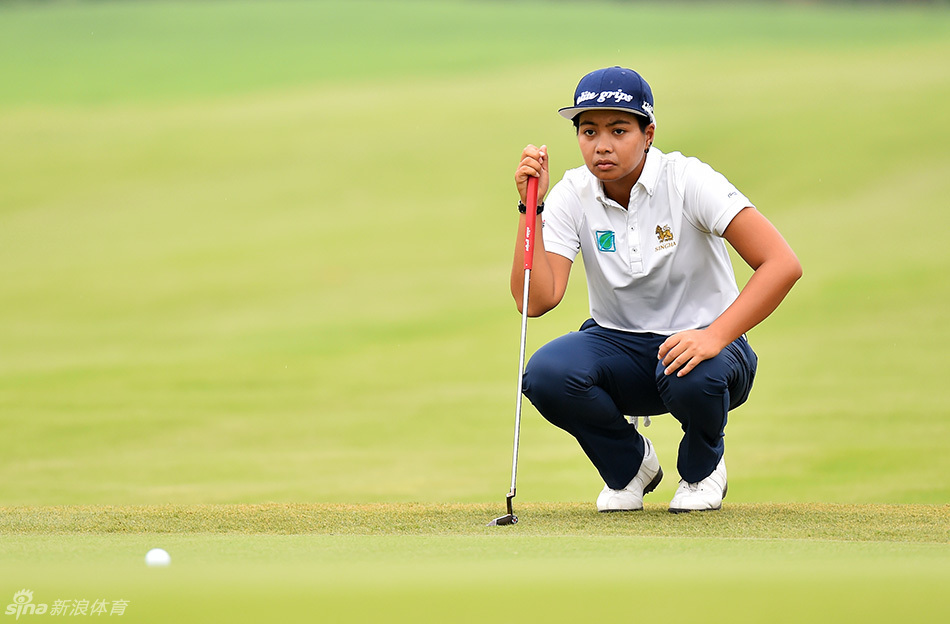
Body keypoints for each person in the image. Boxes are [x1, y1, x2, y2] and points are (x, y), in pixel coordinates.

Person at [511, 66, 801, 513]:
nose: (601, 144)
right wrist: (531, 209)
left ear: (648, 134)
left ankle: (703, 471)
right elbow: (537, 300)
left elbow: (782, 264)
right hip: (618, 347)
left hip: (711, 350)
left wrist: (714, 336)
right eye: (589, 131)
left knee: (693, 371)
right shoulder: (574, 192)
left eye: (619, 130)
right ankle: (630, 468)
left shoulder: (688, 179)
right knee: (547, 373)